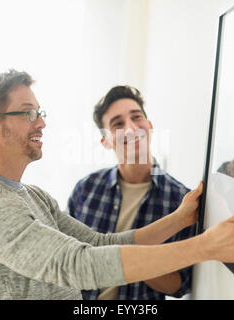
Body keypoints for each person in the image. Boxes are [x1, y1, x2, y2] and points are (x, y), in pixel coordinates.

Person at [0, 69, 234, 300]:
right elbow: (79, 264)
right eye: (29, 113)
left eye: (40, 112)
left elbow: (99, 244)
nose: (42, 122)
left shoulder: (33, 196)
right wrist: (206, 246)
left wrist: (179, 219)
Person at [67, 86, 194, 300]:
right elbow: (66, 260)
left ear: (150, 126)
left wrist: (135, 262)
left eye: (136, 117)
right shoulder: (85, 190)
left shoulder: (181, 201)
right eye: (118, 124)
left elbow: (180, 285)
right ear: (105, 141)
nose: (130, 129)